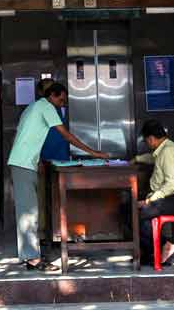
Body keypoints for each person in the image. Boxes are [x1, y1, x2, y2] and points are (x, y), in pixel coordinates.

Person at [8, 83, 108, 271]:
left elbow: (23, 135)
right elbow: (66, 136)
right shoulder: (47, 107)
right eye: (61, 100)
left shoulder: (33, 106)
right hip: (23, 164)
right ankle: (32, 259)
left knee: (29, 211)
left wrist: (36, 160)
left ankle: (31, 256)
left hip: (22, 162)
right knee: (28, 213)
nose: (63, 105)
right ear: (52, 96)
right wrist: (95, 153)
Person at [133, 120, 174, 265]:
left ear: (151, 139)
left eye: (147, 141)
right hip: (171, 196)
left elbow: (171, 185)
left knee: (139, 212)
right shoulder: (163, 149)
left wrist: (150, 200)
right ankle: (154, 251)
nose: (148, 144)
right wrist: (136, 159)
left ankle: (164, 246)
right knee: (131, 210)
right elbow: (153, 158)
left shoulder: (168, 152)